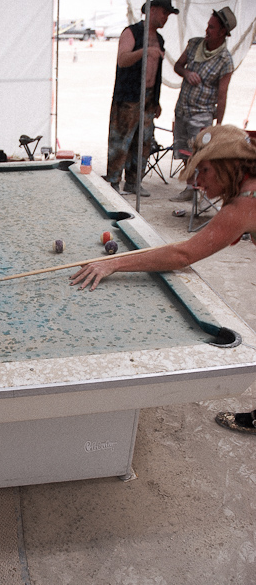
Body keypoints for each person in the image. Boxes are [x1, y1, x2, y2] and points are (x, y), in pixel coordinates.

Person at [71, 124, 256, 434]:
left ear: (229, 165)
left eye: (205, 170)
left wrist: (113, 264)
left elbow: (182, 255)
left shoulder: (244, 205)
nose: (198, 181)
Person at [104, 0, 179, 197]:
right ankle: (112, 182)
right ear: (152, 10)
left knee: (144, 142)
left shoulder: (159, 39)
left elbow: (156, 73)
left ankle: (134, 181)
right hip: (128, 97)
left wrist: (156, 100)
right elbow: (122, 59)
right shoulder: (132, 33)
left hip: (148, 98)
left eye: (168, 15)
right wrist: (145, 51)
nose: (166, 18)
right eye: (164, 13)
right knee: (121, 141)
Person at [171, 7, 236, 202]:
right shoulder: (194, 44)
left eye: (212, 27)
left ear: (223, 32)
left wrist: (218, 126)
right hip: (183, 108)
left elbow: (222, 95)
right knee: (183, 149)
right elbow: (178, 66)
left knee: (198, 153)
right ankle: (190, 187)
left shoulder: (225, 60)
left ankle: (198, 188)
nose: (207, 30)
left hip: (202, 114)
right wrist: (186, 73)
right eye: (208, 26)